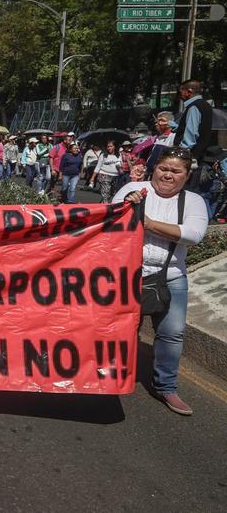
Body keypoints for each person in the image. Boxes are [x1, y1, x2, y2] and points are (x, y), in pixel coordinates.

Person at [115, 147, 208, 416]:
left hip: (171, 277)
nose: (168, 175)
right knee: (123, 329)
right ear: (154, 169)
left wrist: (147, 222)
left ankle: (166, 387)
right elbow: (111, 222)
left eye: (176, 171)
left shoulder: (193, 201)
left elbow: (193, 235)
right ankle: (116, 374)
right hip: (127, 275)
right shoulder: (133, 189)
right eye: (163, 168)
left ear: (186, 176)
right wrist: (126, 207)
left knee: (172, 333)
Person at [175, 80, 213, 181]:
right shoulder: (205, 105)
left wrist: (181, 154)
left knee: (186, 187)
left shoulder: (194, 107)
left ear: (188, 92)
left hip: (188, 158)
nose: (180, 95)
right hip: (198, 156)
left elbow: (191, 135)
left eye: (181, 92)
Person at [147, 111, 177, 176]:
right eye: (157, 121)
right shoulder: (157, 138)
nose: (158, 123)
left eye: (162, 120)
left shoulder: (173, 137)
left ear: (170, 123)